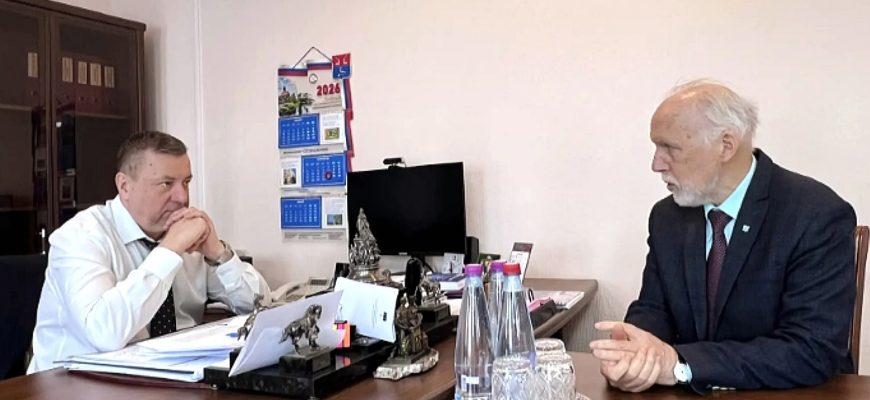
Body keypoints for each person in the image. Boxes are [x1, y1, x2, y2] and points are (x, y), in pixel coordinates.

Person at [590, 80, 856, 393]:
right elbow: (654, 309)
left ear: (726, 146)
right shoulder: (667, 217)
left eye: (669, 148)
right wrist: (634, 354)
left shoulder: (816, 214)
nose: (656, 164)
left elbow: (811, 349)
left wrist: (680, 365)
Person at [28, 131, 271, 373]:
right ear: (125, 186)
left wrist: (218, 253)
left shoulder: (188, 234)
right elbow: (105, 334)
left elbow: (261, 308)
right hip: (71, 382)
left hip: (171, 379)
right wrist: (169, 251)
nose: (182, 197)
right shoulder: (81, 236)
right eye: (166, 184)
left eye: (186, 182)